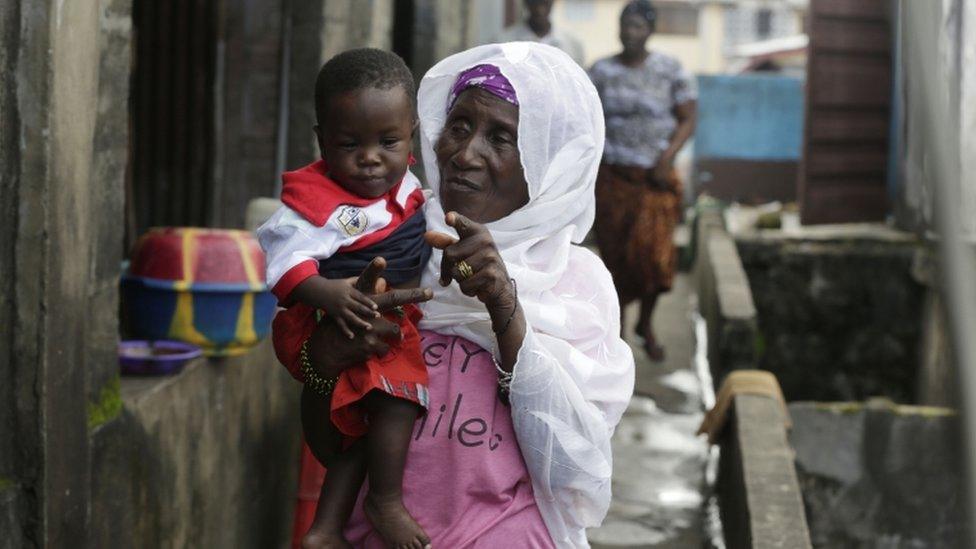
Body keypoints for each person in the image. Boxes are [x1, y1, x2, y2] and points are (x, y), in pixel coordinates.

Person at [275, 43, 635, 548]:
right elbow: (330, 444)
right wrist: (325, 360)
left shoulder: (574, 285)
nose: (465, 154)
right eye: (459, 126)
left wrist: (504, 305)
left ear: (548, 162)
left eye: (502, 138)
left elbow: (573, 471)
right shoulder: (392, 247)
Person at [257, 48, 435, 548]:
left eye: (389, 141)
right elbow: (283, 259)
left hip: (379, 322)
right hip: (332, 320)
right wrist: (326, 292)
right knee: (397, 404)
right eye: (350, 144)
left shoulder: (408, 186)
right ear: (322, 142)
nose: (371, 157)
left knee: (369, 424)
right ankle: (385, 500)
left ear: (412, 134)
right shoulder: (318, 203)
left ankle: (327, 527)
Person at [588, 0, 697, 361]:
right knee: (615, 260)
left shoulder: (670, 70)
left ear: (649, 30)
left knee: (655, 259)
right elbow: (585, 120)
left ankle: (645, 323)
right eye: (625, 25)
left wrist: (666, 159)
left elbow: (688, 119)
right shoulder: (601, 71)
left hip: (654, 180)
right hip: (613, 179)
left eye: (637, 26)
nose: (630, 32)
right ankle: (617, 334)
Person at [496, 0, 585, 66]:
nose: (540, 10)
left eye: (544, 3)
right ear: (526, 3)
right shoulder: (502, 42)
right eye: (534, 3)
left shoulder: (573, 45)